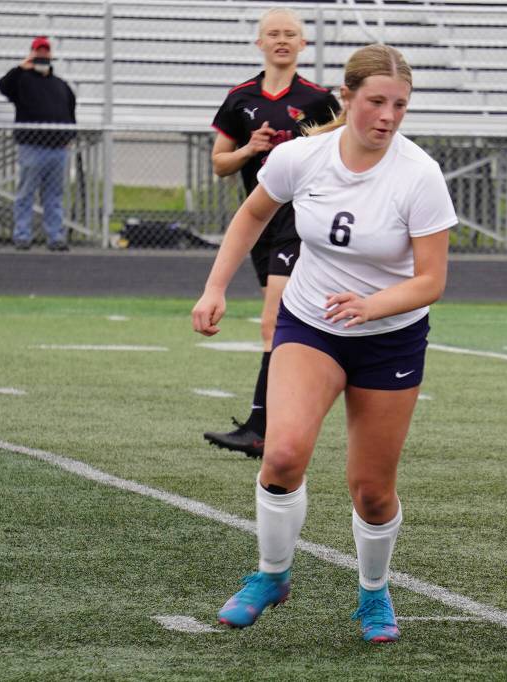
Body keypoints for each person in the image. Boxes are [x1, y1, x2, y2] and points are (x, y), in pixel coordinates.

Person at [192, 43, 457, 642]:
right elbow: (253, 215)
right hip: (310, 324)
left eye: (400, 105)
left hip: (388, 338)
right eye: (376, 102)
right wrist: (214, 288)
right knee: (282, 455)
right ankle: (271, 574)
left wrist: (373, 305)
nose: (387, 116)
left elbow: (432, 280)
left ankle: (372, 593)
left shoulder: (419, 175)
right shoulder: (301, 156)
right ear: (347, 98)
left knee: (371, 490)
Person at [202, 8, 340, 459]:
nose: (281, 40)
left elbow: (345, 150)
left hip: (298, 221)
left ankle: (263, 426)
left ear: (304, 44)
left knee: (272, 320)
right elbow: (220, 163)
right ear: (259, 43)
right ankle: (278, 421)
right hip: (260, 220)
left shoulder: (319, 100)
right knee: (282, 321)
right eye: (273, 34)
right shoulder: (241, 97)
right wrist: (250, 148)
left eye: (290, 34)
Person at [0, 36, 76, 251]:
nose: (42, 55)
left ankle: (55, 237)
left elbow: (70, 110)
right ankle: (22, 235)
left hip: (57, 149)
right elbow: (4, 87)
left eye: (45, 51)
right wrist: (21, 67)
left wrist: (70, 136)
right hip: (32, 147)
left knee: (54, 196)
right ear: (32, 53)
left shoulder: (60, 85)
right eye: (38, 51)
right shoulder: (22, 80)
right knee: (26, 193)